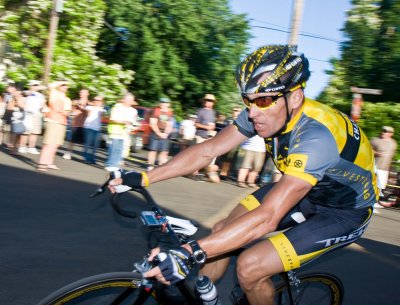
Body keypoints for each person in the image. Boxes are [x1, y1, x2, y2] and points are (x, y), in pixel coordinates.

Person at [109, 45, 378, 305]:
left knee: (250, 267)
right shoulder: (268, 112)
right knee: (221, 231)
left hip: (343, 212)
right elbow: (208, 150)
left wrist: (187, 253)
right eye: (248, 100)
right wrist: (145, 176)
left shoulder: (316, 138)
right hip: (307, 189)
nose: (252, 112)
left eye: (262, 100)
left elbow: (267, 219)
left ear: (295, 97)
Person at [37, 80, 72, 171]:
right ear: (59, 86)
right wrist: (61, 81)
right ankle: (42, 163)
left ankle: (49, 162)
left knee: (56, 144)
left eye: (66, 85)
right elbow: (50, 85)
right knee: (48, 143)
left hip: (62, 123)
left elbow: (67, 112)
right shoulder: (55, 93)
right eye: (63, 85)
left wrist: (63, 112)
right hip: (52, 121)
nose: (65, 87)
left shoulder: (67, 99)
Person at [105, 92, 138, 171]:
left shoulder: (131, 110)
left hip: (124, 133)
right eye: (129, 100)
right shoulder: (116, 107)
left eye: (132, 100)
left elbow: (133, 120)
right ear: (124, 100)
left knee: (120, 150)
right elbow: (113, 119)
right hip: (115, 132)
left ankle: (115, 165)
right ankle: (110, 164)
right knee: (114, 149)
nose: (131, 102)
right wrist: (124, 122)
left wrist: (134, 124)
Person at [370, 126, 397, 207]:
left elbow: (391, 157)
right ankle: (369, 201)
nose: (384, 133)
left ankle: (374, 201)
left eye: (387, 132)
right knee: (371, 184)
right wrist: (377, 153)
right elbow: (368, 149)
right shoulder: (375, 140)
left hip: (385, 169)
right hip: (374, 166)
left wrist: (390, 168)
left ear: (391, 134)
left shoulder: (393, 143)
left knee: (380, 186)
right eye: (383, 131)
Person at [18, 80, 46, 154]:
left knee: (35, 132)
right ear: (30, 86)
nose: (36, 86)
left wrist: (44, 109)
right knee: (25, 132)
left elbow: (43, 104)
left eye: (37, 85)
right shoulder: (27, 93)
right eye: (34, 85)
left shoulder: (40, 95)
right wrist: (35, 89)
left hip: (37, 114)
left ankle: (31, 147)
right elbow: (25, 93)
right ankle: (22, 146)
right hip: (28, 114)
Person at [63, 88, 90, 160]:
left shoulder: (89, 103)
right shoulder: (75, 101)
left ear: (87, 94)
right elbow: (71, 111)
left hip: (85, 125)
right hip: (76, 123)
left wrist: (83, 108)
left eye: (83, 92)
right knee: (72, 140)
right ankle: (68, 153)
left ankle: (85, 155)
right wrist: (73, 108)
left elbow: (88, 114)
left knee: (86, 141)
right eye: (80, 92)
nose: (81, 94)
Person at [147, 97, 173, 171]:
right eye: (162, 102)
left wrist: (166, 133)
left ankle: (160, 167)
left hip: (165, 134)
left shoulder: (169, 112)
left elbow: (169, 124)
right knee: (153, 150)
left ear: (168, 104)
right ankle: (150, 166)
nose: (164, 104)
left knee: (163, 151)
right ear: (160, 103)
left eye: (165, 103)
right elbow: (153, 124)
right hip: (155, 132)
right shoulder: (155, 110)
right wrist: (159, 133)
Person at [83, 95, 105, 164]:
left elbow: (102, 116)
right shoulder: (89, 107)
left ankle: (92, 158)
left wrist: (100, 108)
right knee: (88, 143)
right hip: (89, 127)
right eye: (95, 100)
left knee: (95, 145)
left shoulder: (102, 109)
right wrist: (94, 107)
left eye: (98, 100)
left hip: (97, 128)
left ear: (101, 102)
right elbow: (88, 114)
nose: (96, 101)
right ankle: (86, 158)